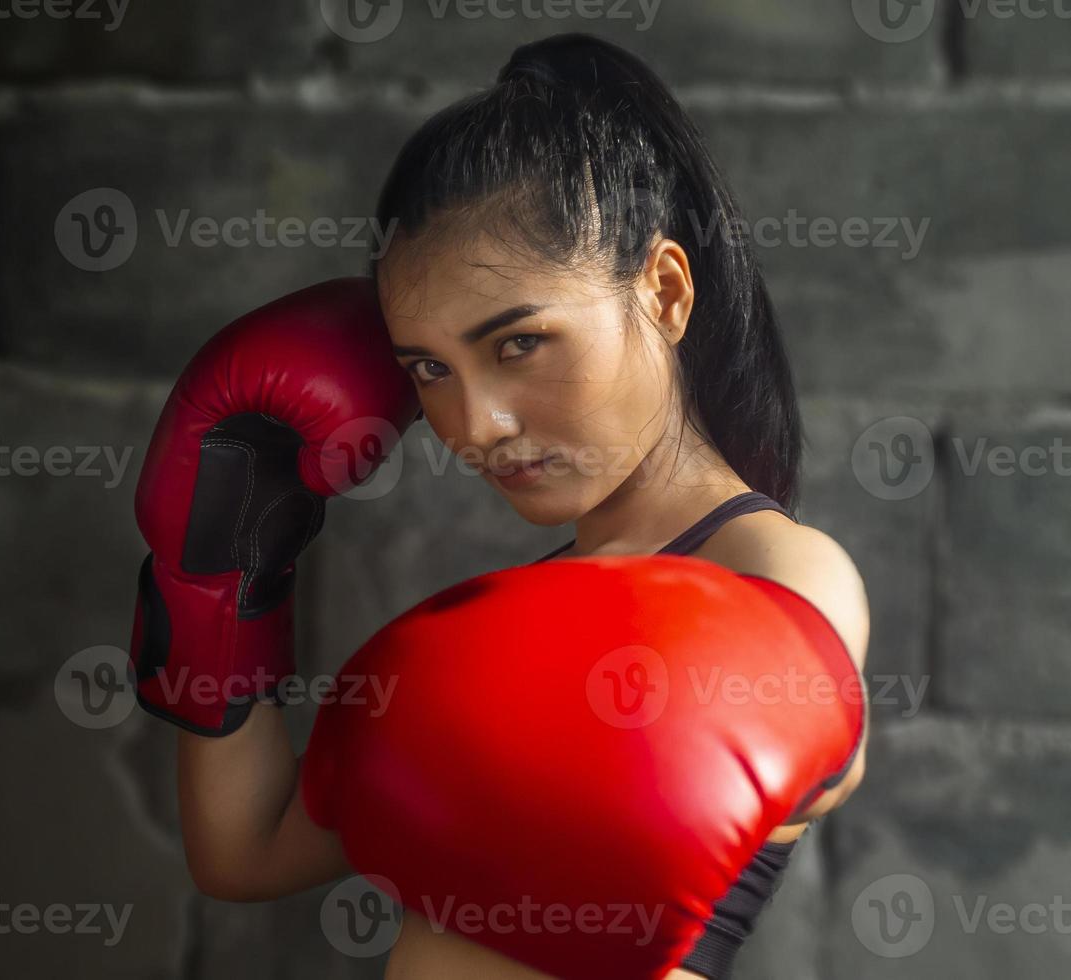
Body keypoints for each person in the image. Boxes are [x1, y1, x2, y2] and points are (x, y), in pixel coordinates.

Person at [131, 33, 870, 980]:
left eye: (518, 343)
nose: (474, 424)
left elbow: (822, 722)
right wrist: (221, 581)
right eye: (428, 369)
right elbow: (242, 853)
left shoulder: (770, 566)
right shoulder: (519, 620)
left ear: (665, 291)